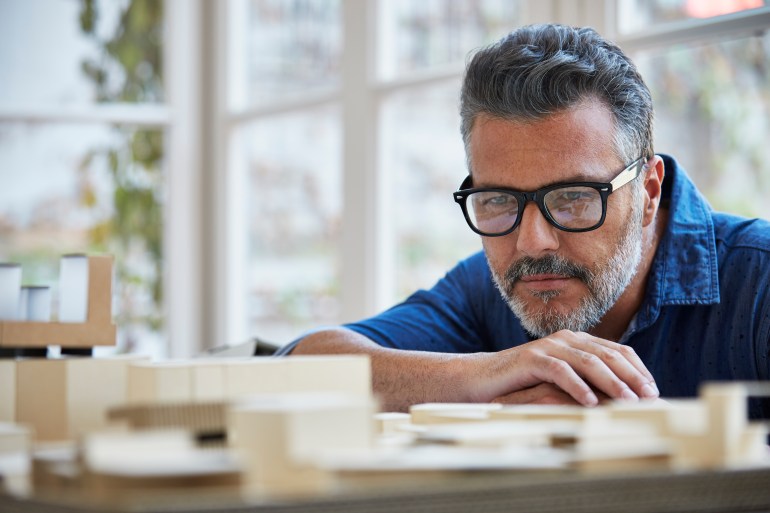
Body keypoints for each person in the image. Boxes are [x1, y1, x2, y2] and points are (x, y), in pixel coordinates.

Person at [280, 24, 770, 415]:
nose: (533, 244)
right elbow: (299, 368)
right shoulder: (481, 291)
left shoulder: (760, 284)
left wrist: (652, 431)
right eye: (497, 201)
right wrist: (489, 374)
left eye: (574, 198)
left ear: (647, 191)